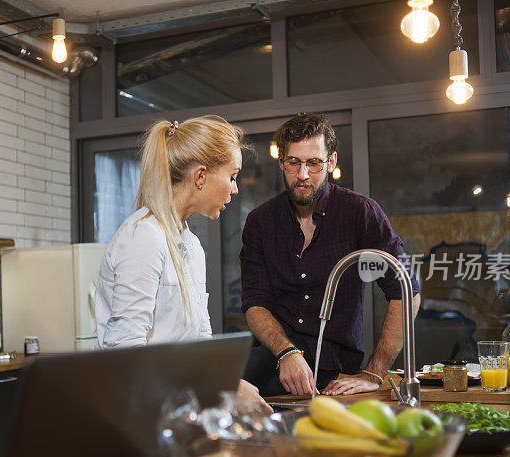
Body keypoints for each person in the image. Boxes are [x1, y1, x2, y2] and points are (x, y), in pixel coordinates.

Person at [95, 115, 272, 414]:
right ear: (201, 176)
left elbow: (199, 341)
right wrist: (225, 385)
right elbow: (124, 354)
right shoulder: (143, 237)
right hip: (139, 414)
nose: (235, 188)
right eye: (232, 176)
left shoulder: (192, 247)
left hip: (178, 411)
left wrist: (225, 383)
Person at [240, 112, 420, 397]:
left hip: (337, 374)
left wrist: (374, 373)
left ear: (331, 162)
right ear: (281, 163)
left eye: (313, 163)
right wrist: (287, 353)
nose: (302, 175)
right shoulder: (260, 222)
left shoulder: (360, 213)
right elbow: (255, 303)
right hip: (277, 364)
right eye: (293, 163)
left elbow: (406, 291)